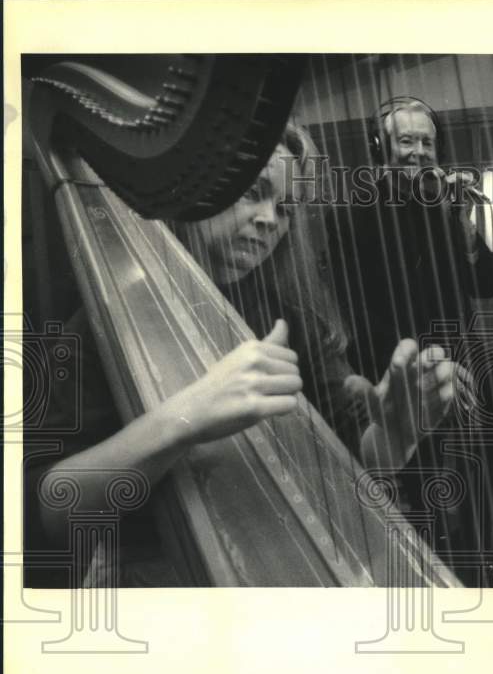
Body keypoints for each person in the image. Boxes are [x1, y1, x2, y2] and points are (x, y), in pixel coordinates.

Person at [27, 123, 466, 586]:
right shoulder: (103, 319)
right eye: (252, 193)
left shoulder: (292, 321)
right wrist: (188, 416)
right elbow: (45, 509)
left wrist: (397, 434)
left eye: (286, 209)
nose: (269, 219)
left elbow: (357, 452)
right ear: (196, 192)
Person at [326, 97, 493, 582]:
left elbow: (485, 285)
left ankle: (490, 543)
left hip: (460, 353)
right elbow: (354, 309)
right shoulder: (353, 211)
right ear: (380, 148)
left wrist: (463, 221)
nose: (418, 152)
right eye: (406, 141)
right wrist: (424, 366)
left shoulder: (446, 207)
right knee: (436, 462)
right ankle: (430, 559)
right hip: (392, 358)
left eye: (427, 142)